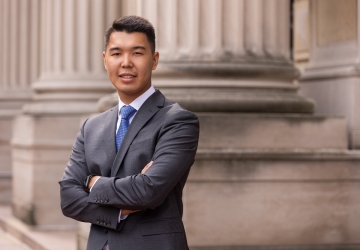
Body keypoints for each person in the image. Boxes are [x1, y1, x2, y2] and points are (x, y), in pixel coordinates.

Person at [59, 16, 199, 250]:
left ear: (154, 60)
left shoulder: (178, 121)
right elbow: (69, 199)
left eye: (137, 53)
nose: (126, 63)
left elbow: (148, 191)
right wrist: (120, 209)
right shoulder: (91, 127)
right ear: (105, 60)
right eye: (116, 53)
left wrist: (93, 183)